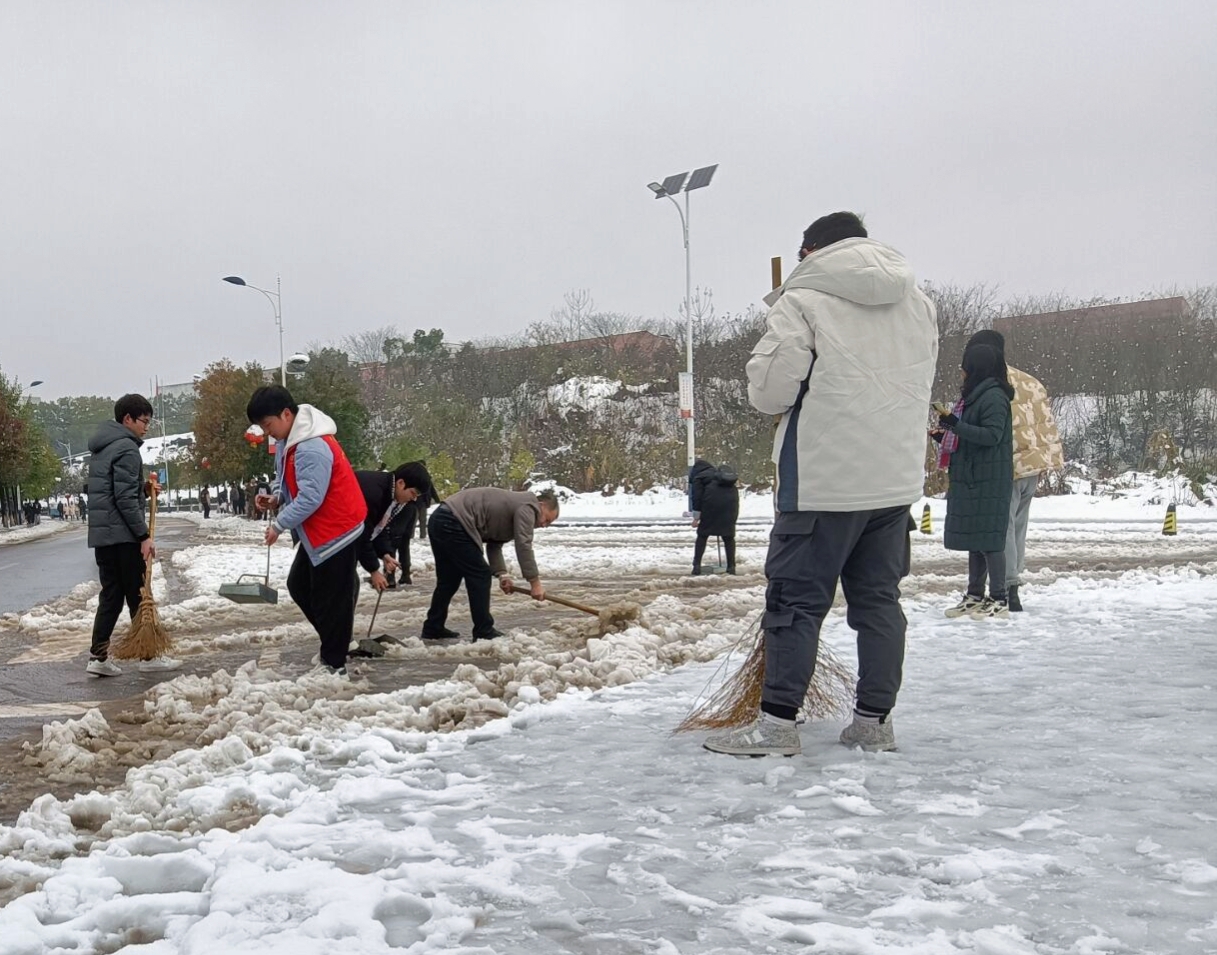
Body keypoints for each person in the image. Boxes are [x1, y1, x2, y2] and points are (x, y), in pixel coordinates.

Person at [703, 211, 938, 757]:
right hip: (894, 483)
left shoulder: (803, 300)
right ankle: (874, 722)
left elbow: (770, 392)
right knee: (879, 603)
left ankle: (777, 725)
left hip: (821, 484)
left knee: (794, 604)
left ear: (810, 251)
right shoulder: (919, 302)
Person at [247, 385, 367, 675]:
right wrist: (275, 498)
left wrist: (279, 524)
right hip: (318, 531)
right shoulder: (289, 441)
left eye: (268, 425)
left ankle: (334, 663)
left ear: (286, 414)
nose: (267, 432)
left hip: (336, 529)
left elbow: (311, 497)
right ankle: (334, 642)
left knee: (330, 599)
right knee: (300, 586)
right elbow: (285, 480)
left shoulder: (311, 445)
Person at [964, 329, 1064, 611]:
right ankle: (1013, 579)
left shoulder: (989, 383)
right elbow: (1045, 427)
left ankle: (1008, 587)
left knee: (1000, 530)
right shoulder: (1031, 382)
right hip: (1032, 466)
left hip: (1003, 467)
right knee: (1018, 528)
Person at [85, 394, 180, 676]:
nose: (146, 427)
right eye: (144, 421)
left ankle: (98, 658)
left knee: (111, 596)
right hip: (124, 537)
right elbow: (124, 500)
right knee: (139, 594)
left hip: (104, 536)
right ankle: (148, 656)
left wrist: (143, 490)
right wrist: (143, 535)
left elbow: (112, 491)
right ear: (128, 419)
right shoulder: (126, 449)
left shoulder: (102, 448)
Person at [935, 343, 1015, 620]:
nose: (961, 372)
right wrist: (943, 433)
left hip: (989, 480)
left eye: (965, 367)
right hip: (972, 476)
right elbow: (970, 436)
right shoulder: (975, 396)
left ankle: (999, 598)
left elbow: (992, 435)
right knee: (975, 539)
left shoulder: (993, 397)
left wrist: (954, 424)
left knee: (991, 541)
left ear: (976, 368)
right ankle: (974, 595)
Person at [422, 487, 560, 641]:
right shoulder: (529, 507)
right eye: (547, 520)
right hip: (454, 520)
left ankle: (433, 627)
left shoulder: (518, 506)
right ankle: (483, 630)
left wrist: (502, 575)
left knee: (449, 579)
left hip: (440, 518)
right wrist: (535, 582)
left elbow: (494, 544)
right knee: (480, 574)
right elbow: (524, 545)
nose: (544, 525)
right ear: (541, 505)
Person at [355, 462, 434, 592]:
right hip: (328, 540)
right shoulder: (374, 493)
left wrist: (384, 553)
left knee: (349, 588)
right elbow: (361, 533)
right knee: (344, 590)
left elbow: (378, 527)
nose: (414, 499)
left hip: (339, 541)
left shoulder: (387, 491)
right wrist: (374, 570)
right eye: (413, 493)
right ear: (401, 483)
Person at [689, 458, 739, 575]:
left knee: (702, 535)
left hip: (710, 504)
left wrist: (696, 517)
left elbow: (696, 498)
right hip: (731, 505)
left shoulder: (699, 478)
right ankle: (731, 567)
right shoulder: (722, 476)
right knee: (728, 536)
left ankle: (696, 566)